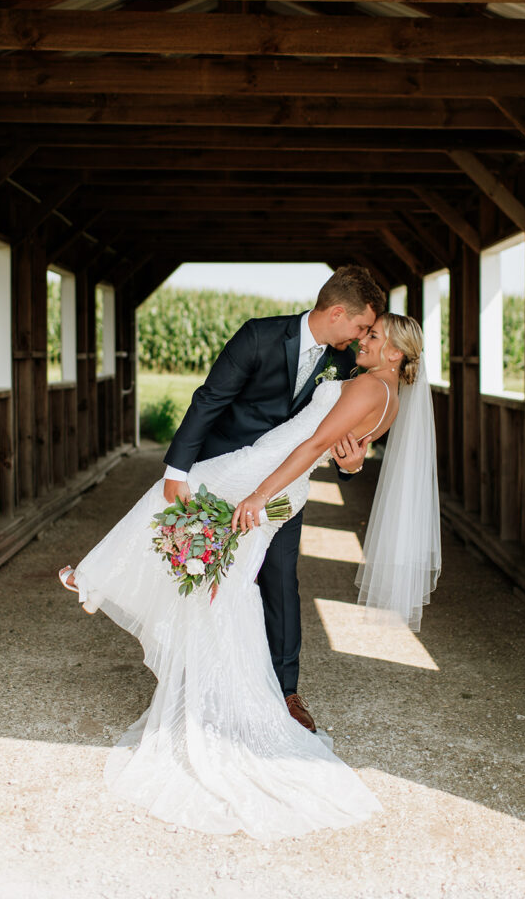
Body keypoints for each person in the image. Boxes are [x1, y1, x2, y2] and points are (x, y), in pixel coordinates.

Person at [58, 311, 441, 841]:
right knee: (226, 584)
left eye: (374, 337)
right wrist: (347, 467)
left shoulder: (367, 386)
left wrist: (259, 494)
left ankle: (97, 580)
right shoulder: (386, 396)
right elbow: (347, 454)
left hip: (266, 476)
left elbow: (310, 446)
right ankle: (212, 687)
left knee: (174, 495)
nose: (363, 340)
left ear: (396, 353)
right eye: (365, 332)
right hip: (285, 485)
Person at [161, 265, 386, 732]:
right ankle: (199, 677)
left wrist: (352, 466)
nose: (365, 337)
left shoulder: (348, 364)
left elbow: (339, 438)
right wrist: (177, 470)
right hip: (231, 472)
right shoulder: (260, 337)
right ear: (339, 313)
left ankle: (287, 692)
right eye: (363, 326)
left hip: (285, 488)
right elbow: (210, 400)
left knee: (280, 580)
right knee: (204, 569)